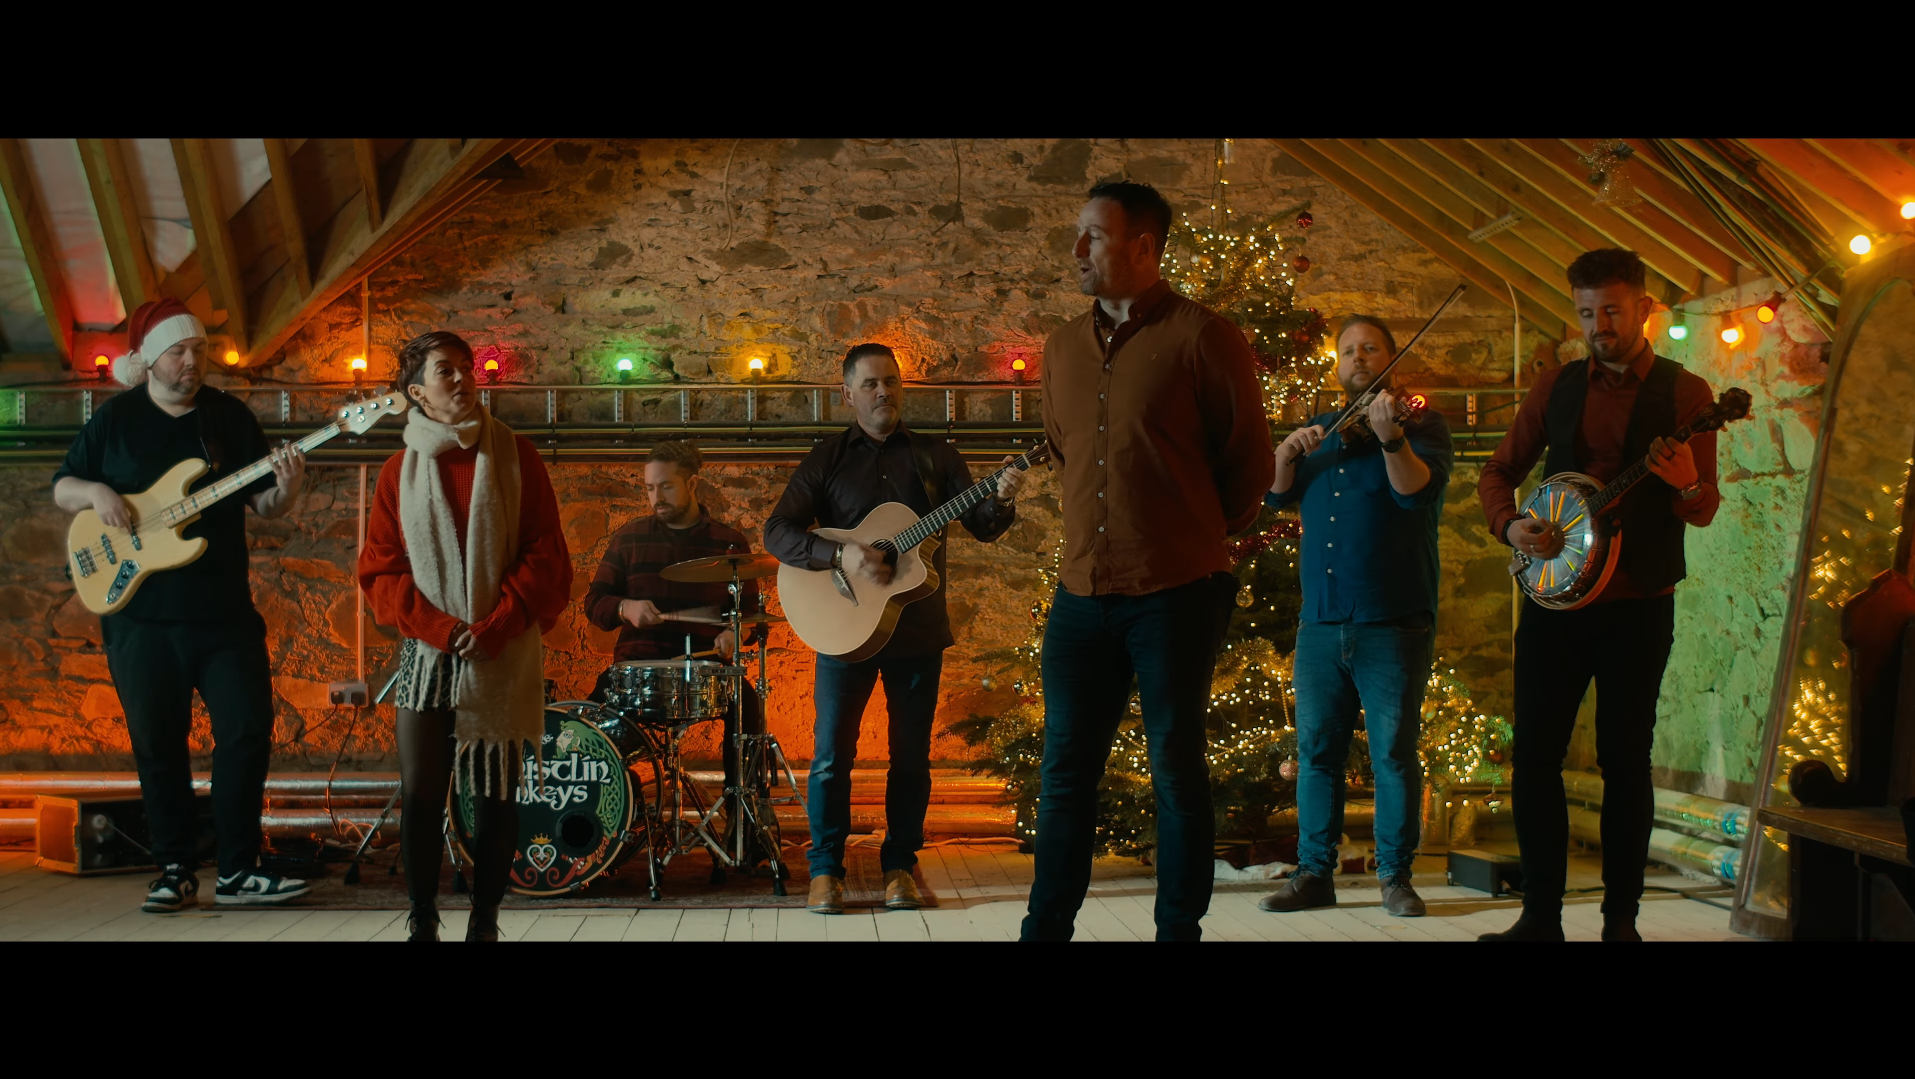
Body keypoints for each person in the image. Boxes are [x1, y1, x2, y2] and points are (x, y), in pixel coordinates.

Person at [1022, 181, 1274, 942]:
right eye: (1078, 233)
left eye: (1094, 236)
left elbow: (1248, 465)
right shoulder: (1061, 348)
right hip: (1081, 593)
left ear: (1142, 246)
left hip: (1176, 592)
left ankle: (1176, 932)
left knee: (1176, 769)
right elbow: (1065, 452)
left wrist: (1185, 532)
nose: (1077, 250)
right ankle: (1045, 930)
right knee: (1064, 773)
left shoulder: (1205, 337)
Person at [1477, 248, 1720, 942]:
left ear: (1643, 308)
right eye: (1586, 313)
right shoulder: (1554, 386)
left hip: (1637, 603)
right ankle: (1539, 920)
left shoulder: (1686, 394)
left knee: (1624, 761)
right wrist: (1511, 526)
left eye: (1611, 311)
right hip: (1553, 603)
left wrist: (1683, 480)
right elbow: (1498, 471)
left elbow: (1702, 507)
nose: (1598, 326)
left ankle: (1621, 924)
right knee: (1535, 759)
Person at [53, 298, 310, 914]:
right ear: (148, 360)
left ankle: (238, 870)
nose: (192, 361)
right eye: (178, 351)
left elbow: (263, 506)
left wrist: (288, 487)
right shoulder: (115, 420)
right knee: (158, 744)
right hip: (139, 618)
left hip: (224, 615)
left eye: (199, 349)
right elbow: (64, 487)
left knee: (246, 733)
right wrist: (97, 492)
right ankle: (174, 869)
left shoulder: (228, 418)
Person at [764, 342, 1023, 914]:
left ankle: (900, 866)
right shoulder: (828, 458)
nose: (884, 392)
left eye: (892, 382)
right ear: (848, 394)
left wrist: (1001, 499)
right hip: (842, 630)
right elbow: (777, 531)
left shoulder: (936, 456)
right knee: (831, 757)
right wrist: (841, 555)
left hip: (917, 631)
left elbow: (982, 527)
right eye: (871, 383)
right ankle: (826, 870)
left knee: (910, 759)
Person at [358, 331, 572, 942]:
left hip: (500, 649)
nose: (460, 379)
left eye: (465, 367)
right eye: (443, 371)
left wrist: (497, 625)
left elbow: (545, 554)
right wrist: (443, 630)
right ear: (416, 392)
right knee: (422, 791)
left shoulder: (516, 455)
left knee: (496, 795)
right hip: (431, 654)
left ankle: (485, 920)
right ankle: (423, 917)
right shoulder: (397, 472)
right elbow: (382, 572)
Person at [1257, 315, 1453, 919]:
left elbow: (1414, 492)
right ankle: (1314, 874)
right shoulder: (1321, 430)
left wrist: (1391, 438)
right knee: (1317, 752)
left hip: (1392, 619)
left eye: (1370, 348)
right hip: (1320, 620)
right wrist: (1285, 453)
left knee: (1393, 752)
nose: (1358, 358)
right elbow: (1273, 496)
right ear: (1337, 365)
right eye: (1348, 351)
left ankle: (1395, 877)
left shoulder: (1421, 425)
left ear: (1390, 359)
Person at [583, 439, 768, 806]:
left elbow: (751, 615)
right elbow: (594, 604)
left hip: (706, 671)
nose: (656, 497)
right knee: (585, 733)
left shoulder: (730, 544)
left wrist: (735, 633)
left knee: (749, 710)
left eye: (666, 486)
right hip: (638, 669)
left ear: (692, 483)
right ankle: (617, 809)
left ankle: (742, 815)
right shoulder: (628, 539)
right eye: (650, 488)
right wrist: (625, 608)